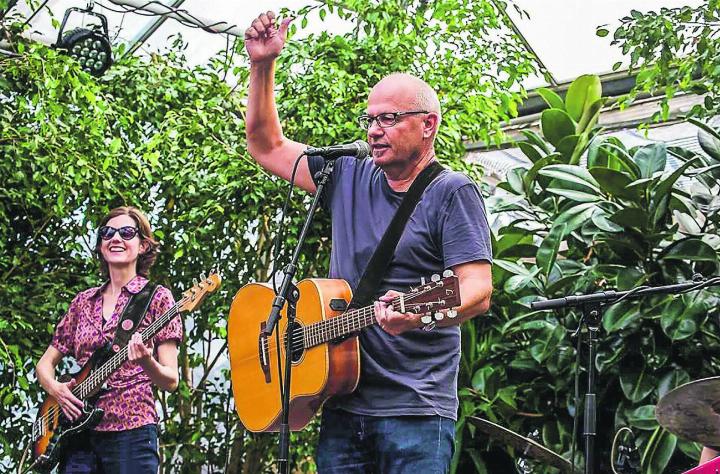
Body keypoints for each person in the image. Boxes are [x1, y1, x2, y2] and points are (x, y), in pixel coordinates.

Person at [244, 11, 493, 473]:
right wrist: (263, 65)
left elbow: (477, 289)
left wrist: (419, 312)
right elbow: (264, 143)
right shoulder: (346, 173)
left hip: (415, 411)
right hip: (342, 400)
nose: (374, 129)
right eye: (370, 119)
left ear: (428, 125)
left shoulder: (450, 192)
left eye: (390, 119)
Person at [35, 206, 182, 473]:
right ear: (101, 245)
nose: (116, 238)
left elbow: (171, 381)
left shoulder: (158, 298)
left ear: (143, 246)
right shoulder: (82, 302)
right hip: (77, 435)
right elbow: (44, 365)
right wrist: (57, 390)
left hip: (132, 431)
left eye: (127, 232)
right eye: (108, 232)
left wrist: (147, 361)